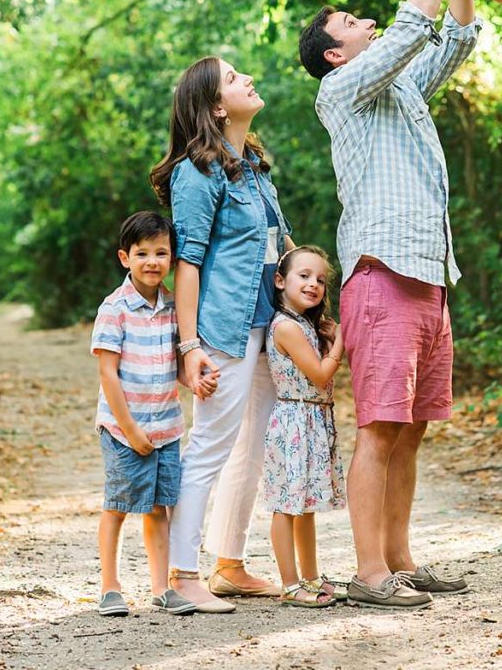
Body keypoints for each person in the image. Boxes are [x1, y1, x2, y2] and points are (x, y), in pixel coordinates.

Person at [298, 0, 479, 610]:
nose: (364, 19)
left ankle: (400, 560)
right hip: (381, 278)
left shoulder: (399, 91)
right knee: (378, 429)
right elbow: (410, 27)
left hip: (430, 276)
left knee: (411, 431)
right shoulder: (340, 91)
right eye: (350, 21)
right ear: (336, 51)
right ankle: (369, 573)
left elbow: (455, 36)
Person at [150, 56, 294, 613]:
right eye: (233, 79)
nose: (247, 79)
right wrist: (188, 349)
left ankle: (227, 565)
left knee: (252, 445)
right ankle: (180, 577)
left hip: (269, 322)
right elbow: (187, 264)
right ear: (214, 105)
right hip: (223, 328)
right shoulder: (197, 172)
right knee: (209, 446)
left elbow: (274, 246)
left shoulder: (252, 167)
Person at [91, 211, 202, 617]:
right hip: (124, 429)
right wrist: (130, 428)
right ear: (125, 258)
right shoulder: (114, 308)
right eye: (142, 253)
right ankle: (109, 587)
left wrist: (195, 381)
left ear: (171, 258)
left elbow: (174, 362)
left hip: (167, 426)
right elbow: (108, 372)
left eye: (161, 252)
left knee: (159, 507)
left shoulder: (174, 306)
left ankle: (160, 588)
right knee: (118, 504)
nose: (152, 261)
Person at [263, 246, 346, 609]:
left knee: (306, 504)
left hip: (311, 420)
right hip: (294, 423)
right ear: (280, 281)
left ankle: (311, 577)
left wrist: (326, 337)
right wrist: (340, 340)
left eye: (321, 280)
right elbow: (321, 373)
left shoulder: (305, 325)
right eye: (304, 276)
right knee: (286, 505)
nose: (313, 284)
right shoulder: (286, 327)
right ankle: (289, 583)